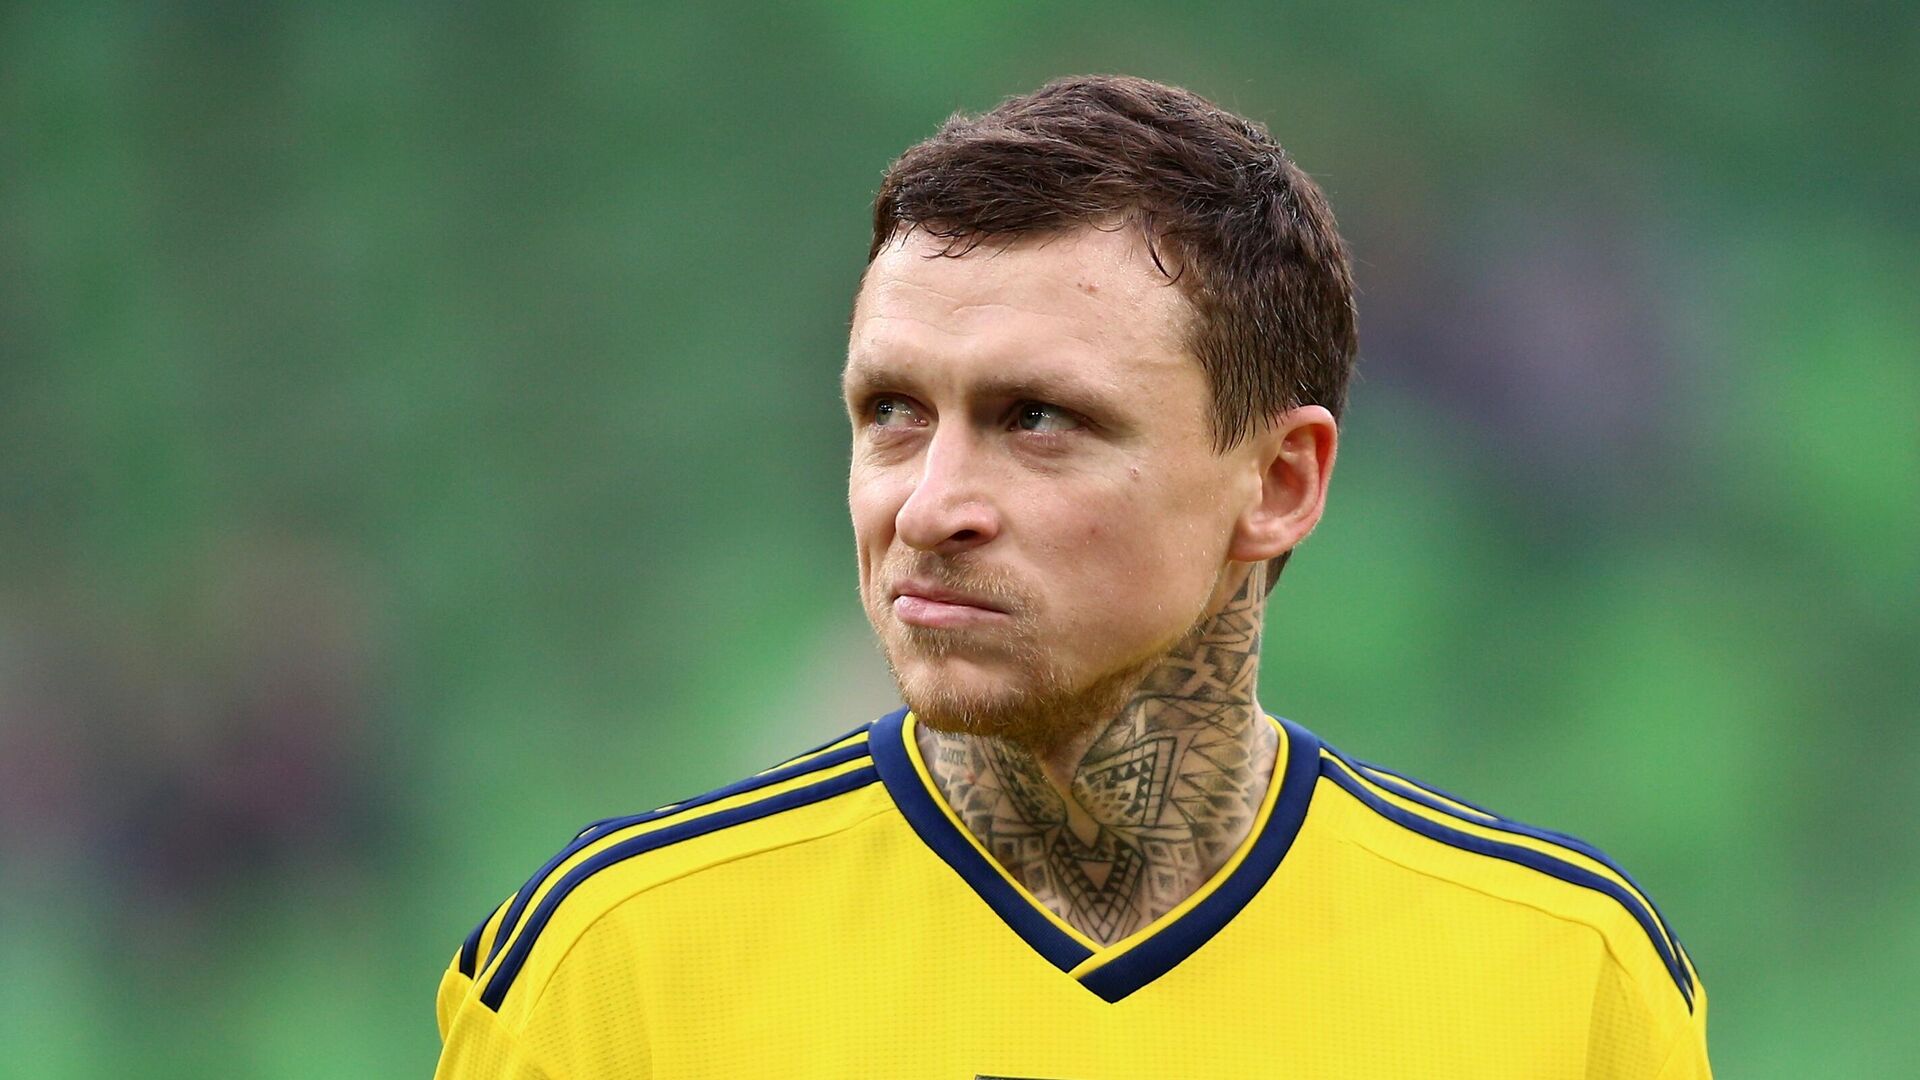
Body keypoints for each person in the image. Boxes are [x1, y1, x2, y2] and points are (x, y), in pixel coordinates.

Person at [432, 74, 1710, 1079]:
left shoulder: (1564, 979)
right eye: (892, 413)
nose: (929, 505)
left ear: (1280, 484)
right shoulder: (615, 973)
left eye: (1038, 418)